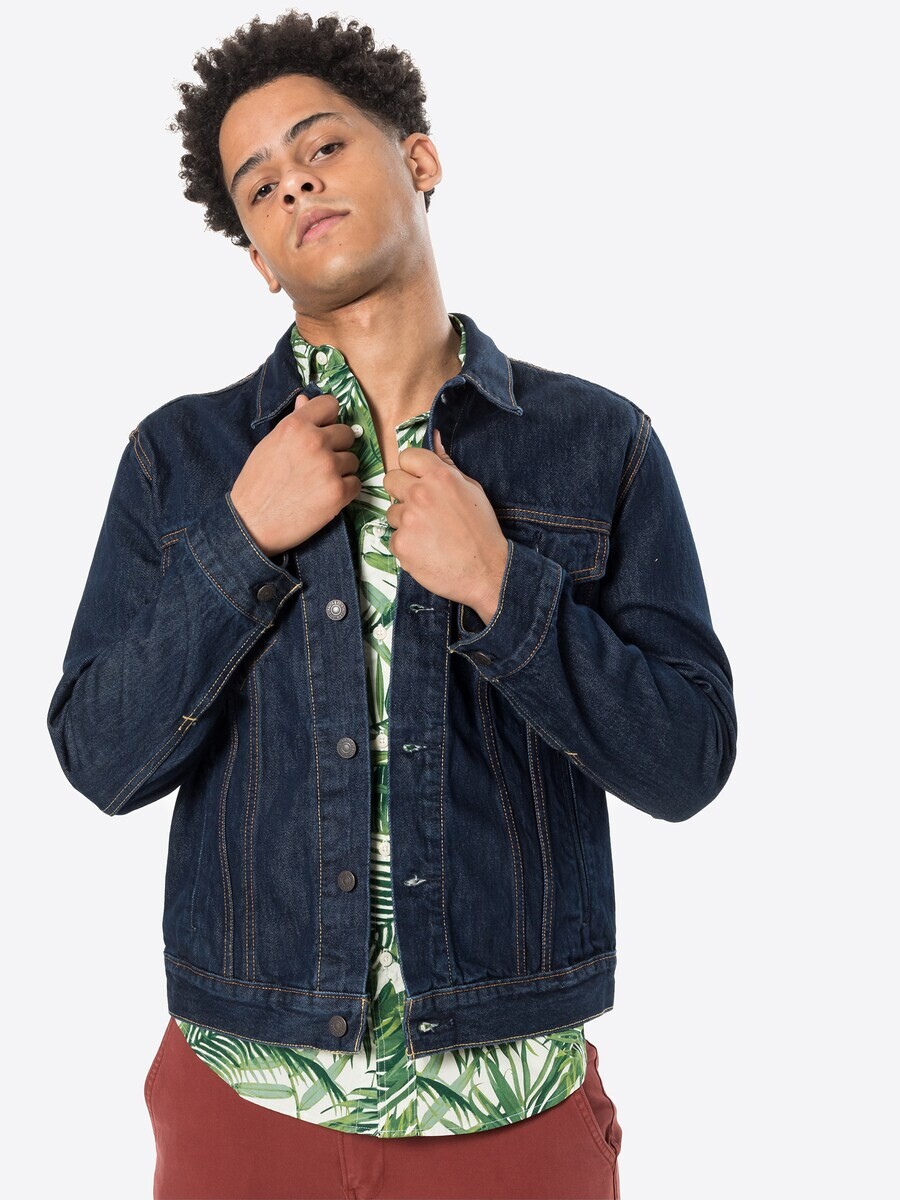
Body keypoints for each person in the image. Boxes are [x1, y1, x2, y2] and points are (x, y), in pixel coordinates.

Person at [46, 11, 737, 1199]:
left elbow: (688, 762)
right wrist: (240, 541)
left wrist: (503, 587)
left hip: (513, 1111)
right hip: (243, 1103)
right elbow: (101, 759)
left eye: (321, 146)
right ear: (260, 259)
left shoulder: (597, 443)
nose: (294, 183)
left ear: (419, 158)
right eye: (258, 185)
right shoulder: (182, 458)